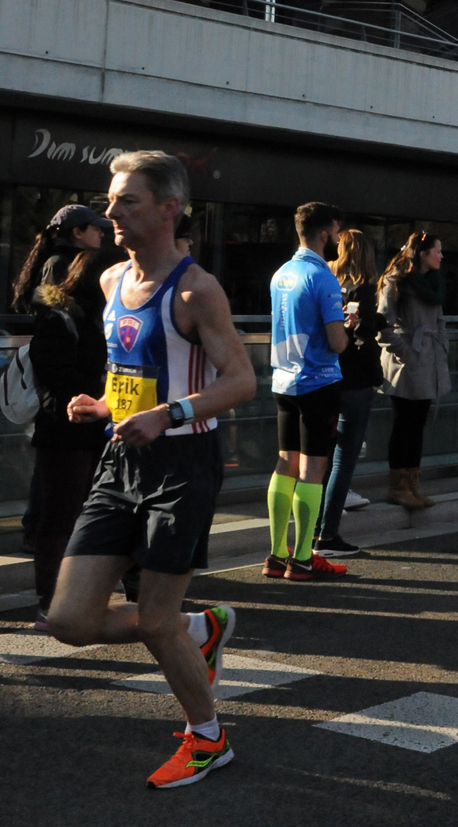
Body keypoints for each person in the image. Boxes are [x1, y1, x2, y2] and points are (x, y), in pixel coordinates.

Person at [47, 151, 257, 788]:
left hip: (183, 464)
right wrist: (104, 404)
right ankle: (201, 629)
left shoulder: (197, 290)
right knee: (68, 621)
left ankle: (208, 737)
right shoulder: (112, 280)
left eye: (127, 201)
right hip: (121, 460)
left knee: (155, 620)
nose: (110, 211)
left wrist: (169, 414)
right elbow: (133, 371)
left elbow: (242, 380)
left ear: (169, 209)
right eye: (110, 199)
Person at [13, 205, 115, 624]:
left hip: (72, 415)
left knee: (67, 511)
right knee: (64, 515)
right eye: (96, 229)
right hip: (70, 417)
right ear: (77, 232)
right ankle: (53, 602)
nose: (103, 235)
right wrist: (89, 396)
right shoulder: (64, 274)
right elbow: (55, 354)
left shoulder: (58, 275)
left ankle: (64, 599)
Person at [264, 202, 351, 581]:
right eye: (336, 233)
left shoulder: (281, 273)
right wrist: (348, 327)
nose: (338, 240)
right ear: (324, 234)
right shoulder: (323, 277)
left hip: (283, 380)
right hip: (318, 381)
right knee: (313, 470)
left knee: (285, 463)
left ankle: (276, 554)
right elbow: (337, 342)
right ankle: (302, 558)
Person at [316, 229, 383, 557]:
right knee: (344, 459)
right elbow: (364, 338)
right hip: (356, 381)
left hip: (328, 377)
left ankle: (314, 527)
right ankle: (328, 534)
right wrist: (377, 376)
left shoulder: (329, 284)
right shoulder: (364, 288)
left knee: (324, 457)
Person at [377, 232, 450, 510]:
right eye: (437, 250)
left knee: (418, 424)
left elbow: (439, 320)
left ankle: (413, 485)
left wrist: (441, 344)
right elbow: (382, 326)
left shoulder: (434, 283)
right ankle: (398, 487)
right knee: (403, 424)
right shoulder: (395, 281)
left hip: (428, 359)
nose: (441, 256)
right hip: (405, 364)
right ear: (422, 254)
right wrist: (406, 352)